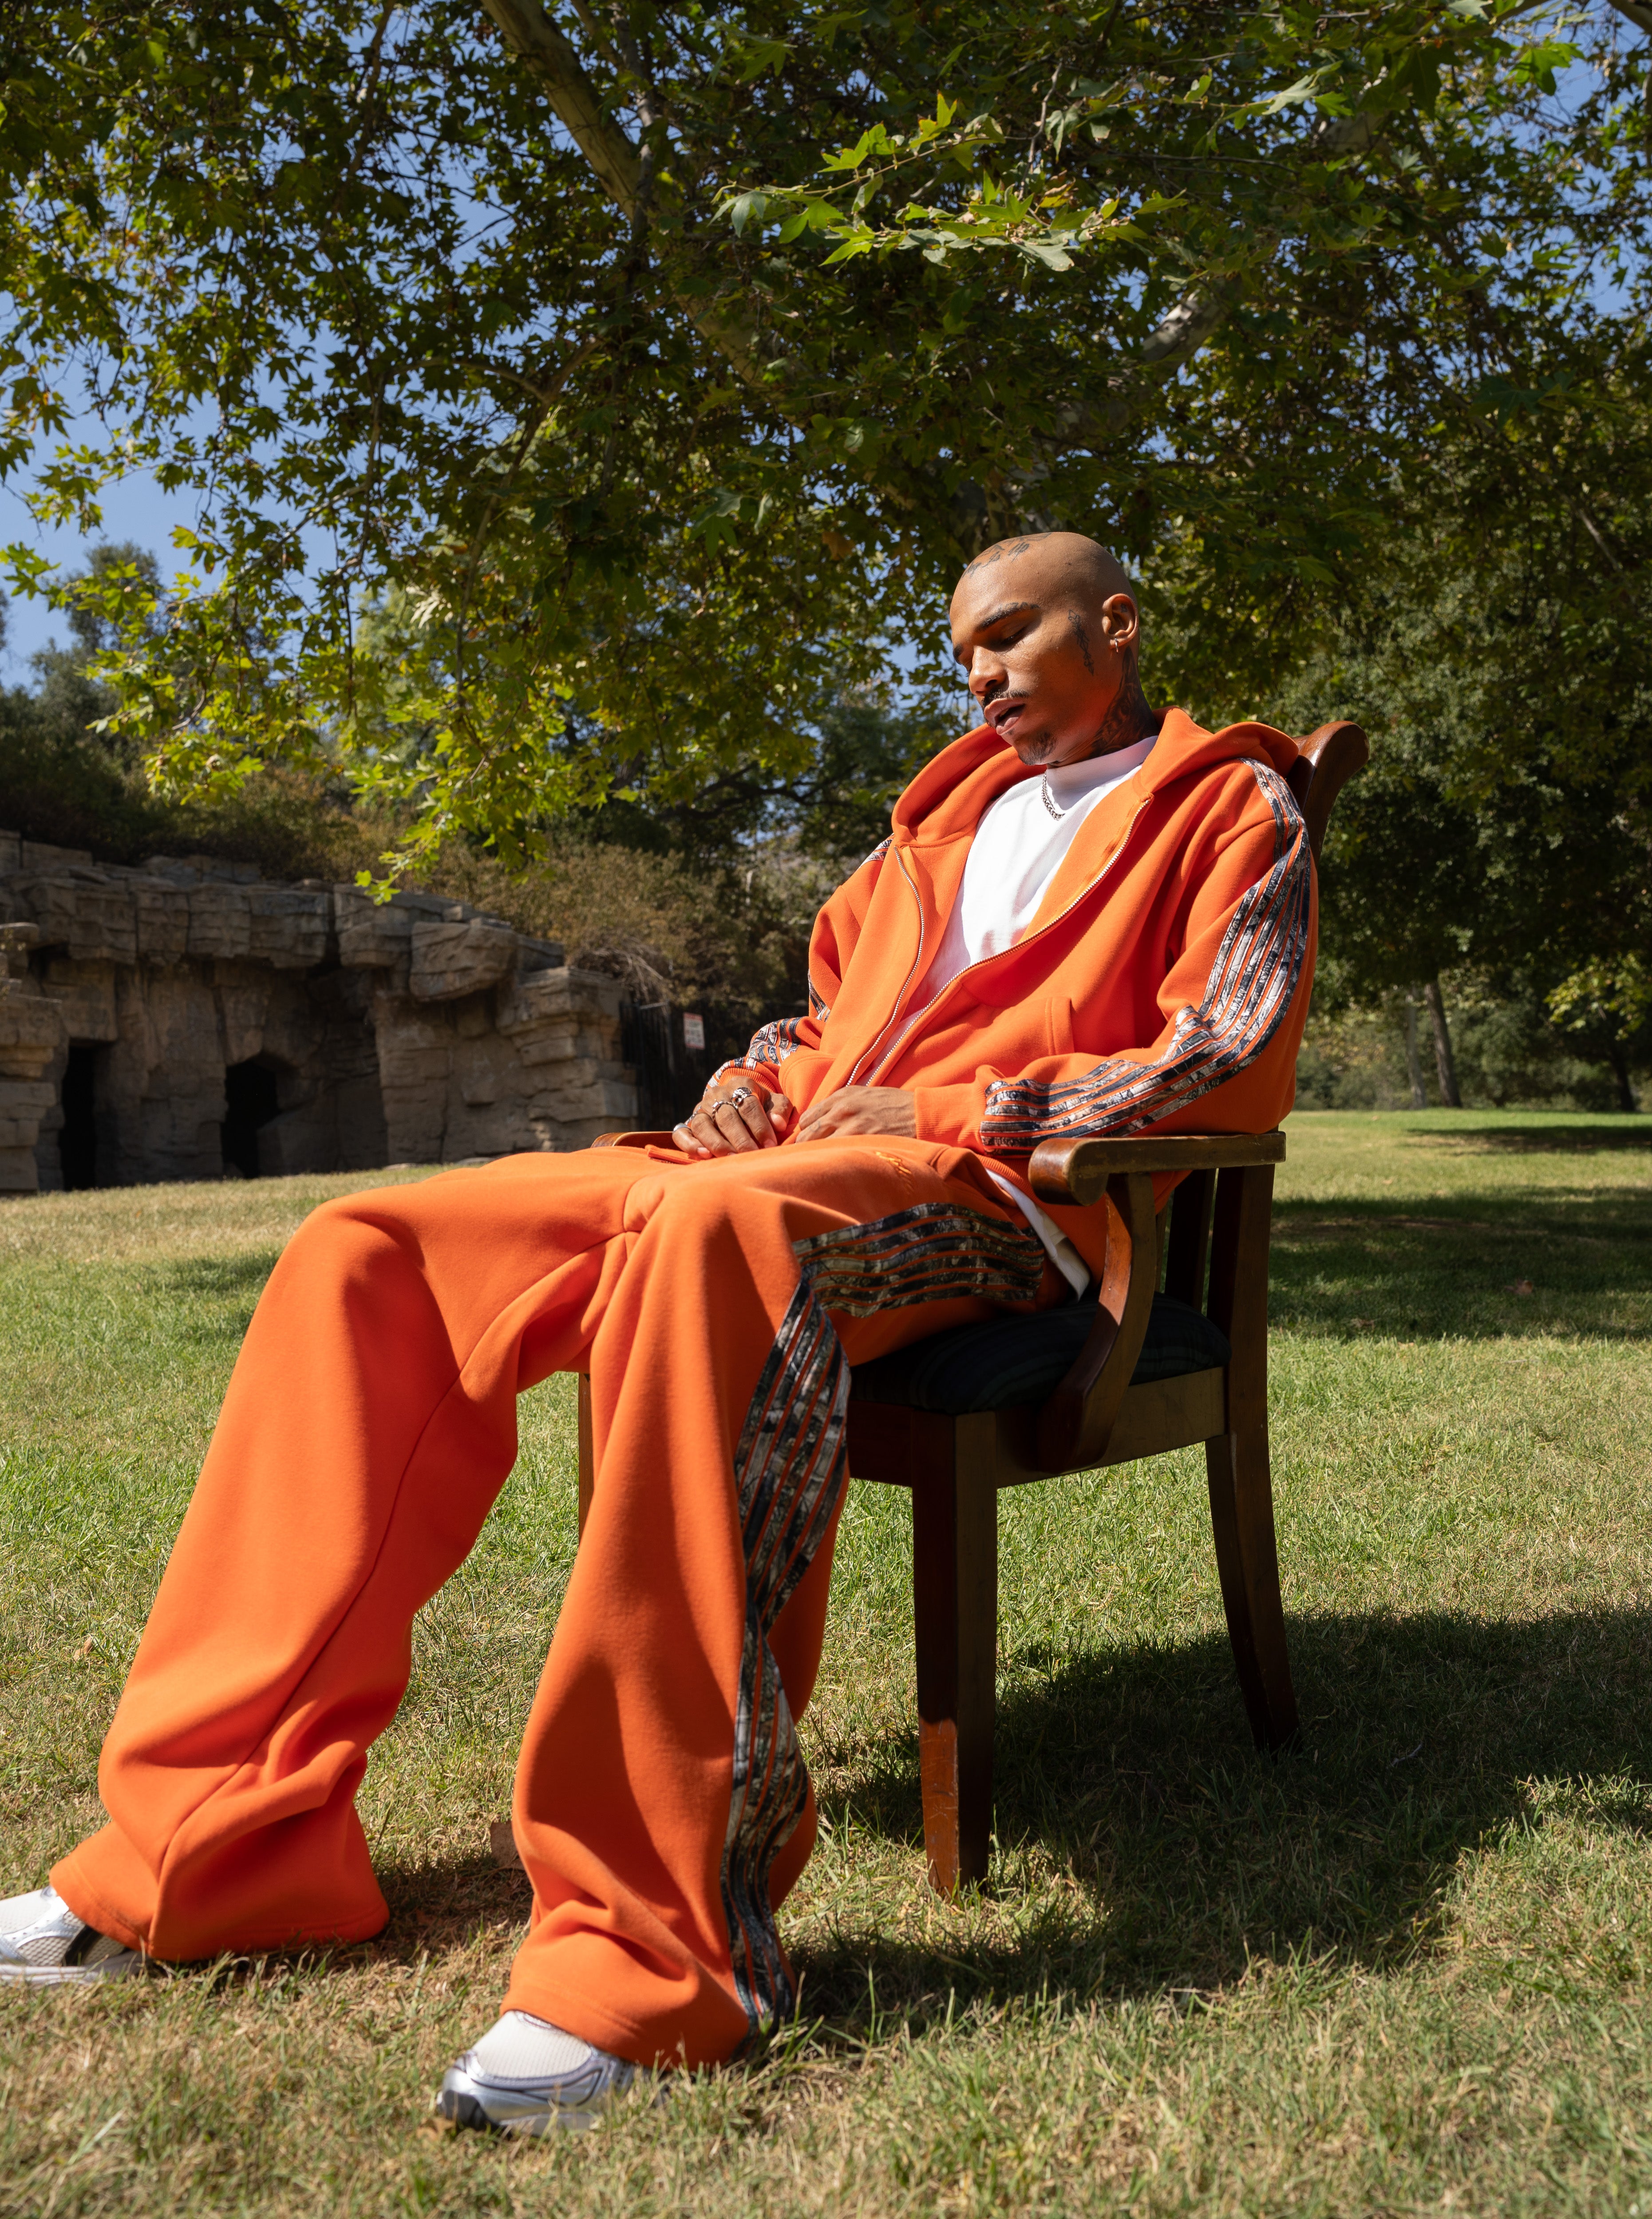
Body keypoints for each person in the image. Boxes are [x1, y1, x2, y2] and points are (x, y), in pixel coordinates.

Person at [0, 532, 1316, 2132]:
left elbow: (1217, 1058)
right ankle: (212, 1848)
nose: (978, 676)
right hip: (788, 1173)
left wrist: (954, 1105)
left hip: (1012, 1208)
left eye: (1012, 639)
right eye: (962, 650)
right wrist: (741, 1108)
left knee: (715, 1240)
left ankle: (651, 1954)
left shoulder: (1233, 809)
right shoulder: (931, 829)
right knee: (370, 1247)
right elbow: (814, 1028)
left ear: (1115, 624)